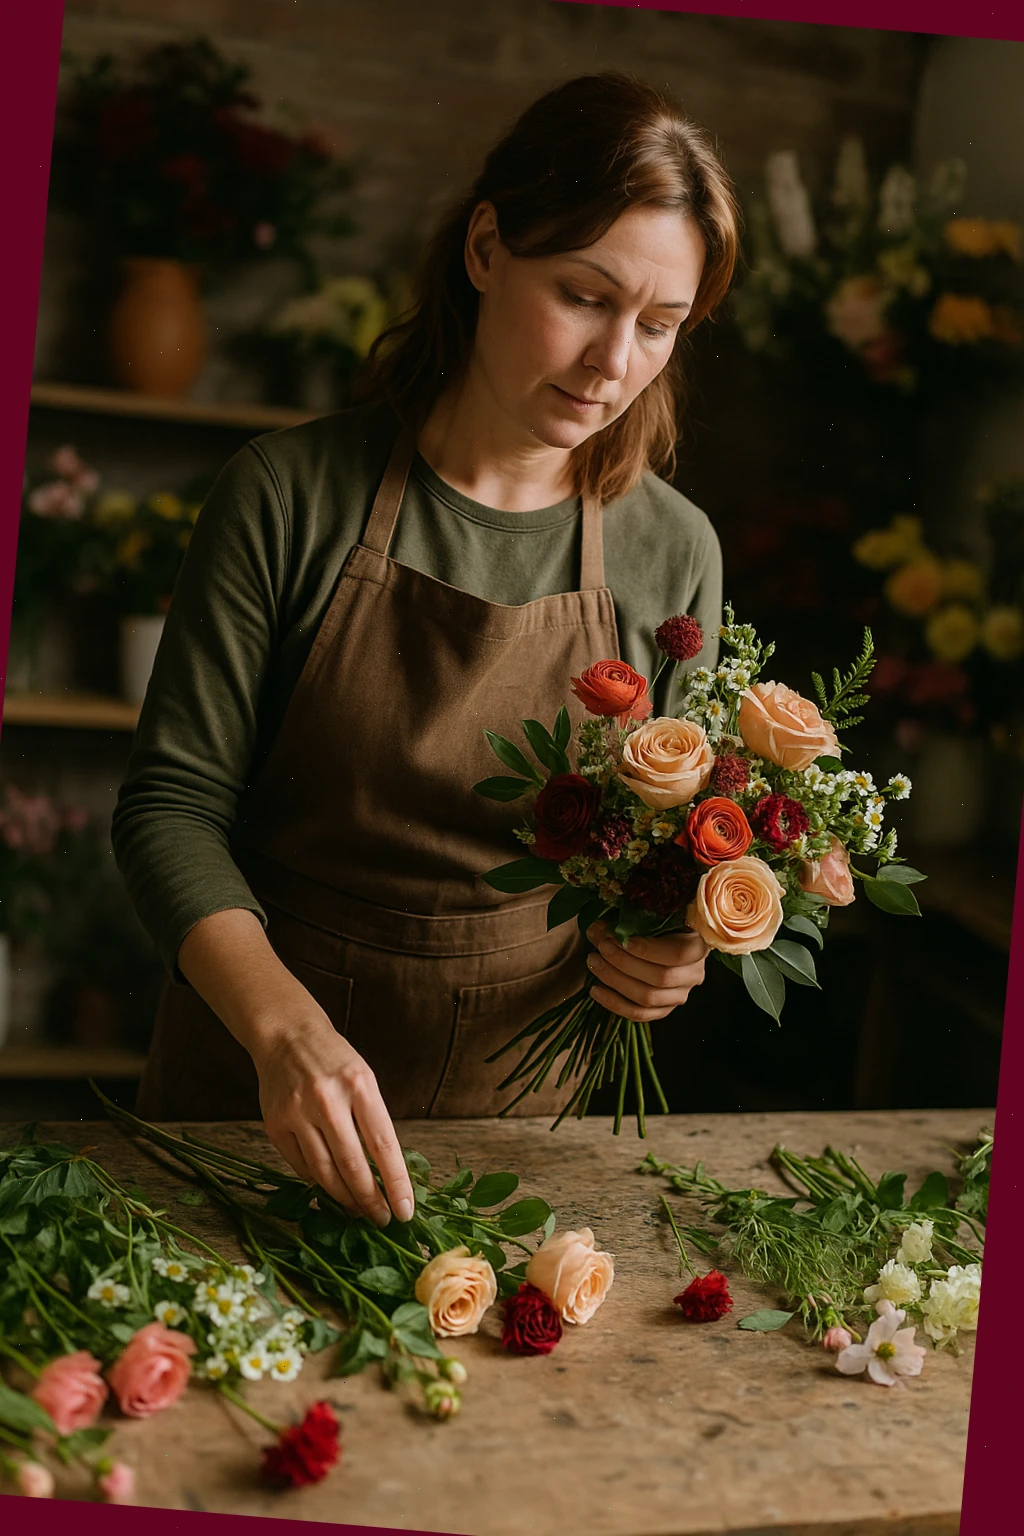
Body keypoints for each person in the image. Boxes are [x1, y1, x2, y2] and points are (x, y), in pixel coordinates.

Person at [111, 71, 740, 1231]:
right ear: (487, 246)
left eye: (657, 326)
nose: (613, 361)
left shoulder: (673, 550)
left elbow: (660, 861)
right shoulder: (285, 494)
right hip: (255, 1093)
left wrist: (665, 951)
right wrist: (286, 1034)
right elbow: (168, 808)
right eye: (583, 297)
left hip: (528, 1121)